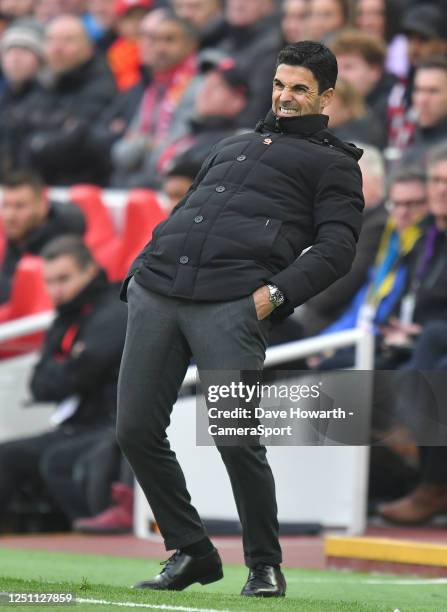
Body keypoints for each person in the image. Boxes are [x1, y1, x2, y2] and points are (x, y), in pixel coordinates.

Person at [116, 41, 364, 597]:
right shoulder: (231, 143)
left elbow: (337, 249)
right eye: (280, 84)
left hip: (233, 305)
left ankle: (264, 564)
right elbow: (185, 209)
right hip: (158, 291)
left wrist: (274, 296)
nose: (286, 96)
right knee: (133, 430)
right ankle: (191, 552)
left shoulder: (335, 165)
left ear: (327, 97)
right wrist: (137, 274)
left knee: (235, 437)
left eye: (300, 89)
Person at [0, 236, 127, 527]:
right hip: (75, 425)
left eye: (64, 278)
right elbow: (40, 384)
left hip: (108, 425)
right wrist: (72, 365)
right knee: (6, 453)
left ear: (90, 271)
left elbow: (84, 371)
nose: (56, 290)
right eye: (50, 281)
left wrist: (69, 367)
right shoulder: (65, 317)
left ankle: (85, 543)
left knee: (56, 459)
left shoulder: (115, 310)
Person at [298, 144, 388, 336]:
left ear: (377, 181)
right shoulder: (339, 216)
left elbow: (348, 280)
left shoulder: (377, 224)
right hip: (310, 307)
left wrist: (298, 294)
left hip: (334, 320)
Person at [20, 14, 117, 185]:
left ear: (88, 46)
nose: (57, 48)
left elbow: (78, 137)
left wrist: (37, 140)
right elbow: (19, 128)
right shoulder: (41, 83)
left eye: (68, 40)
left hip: (85, 185)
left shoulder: (102, 83)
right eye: (51, 40)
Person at [110, 10, 200, 188]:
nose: (159, 47)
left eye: (169, 40)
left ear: (190, 45)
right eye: (154, 40)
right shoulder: (152, 88)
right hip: (140, 183)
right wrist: (146, 143)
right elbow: (121, 153)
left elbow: (176, 151)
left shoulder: (199, 86)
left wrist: (142, 144)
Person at [0, 170, 85, 304]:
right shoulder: (18, 238)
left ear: (43, 206)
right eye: (6, 205)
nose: (10, 215)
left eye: (19, 206)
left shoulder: (62, 249)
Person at [0, 19, 45, 180]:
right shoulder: (4, 97)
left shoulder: (51, 97)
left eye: (25, 50)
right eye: (10, 51)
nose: (15, 58)